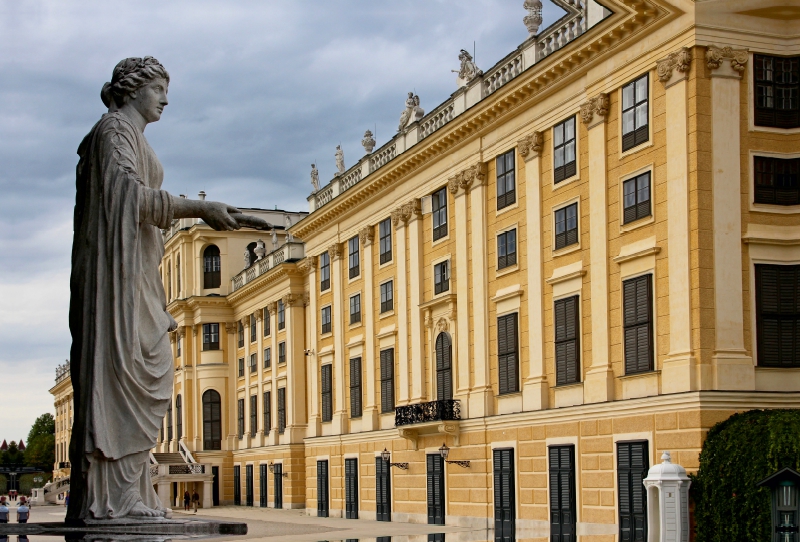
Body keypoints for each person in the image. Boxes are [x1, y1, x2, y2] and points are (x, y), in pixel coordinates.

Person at [66, 56, 270, 522]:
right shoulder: (114, 131)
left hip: (135, 268)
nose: (165, 97)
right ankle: (116, 499)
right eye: (157, 87)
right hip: (117, 279)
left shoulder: (130, 136)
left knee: (151, 370)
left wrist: (219, 213)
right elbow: (127, 198)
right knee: (131, 372)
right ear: (133, 88)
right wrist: (199, 208)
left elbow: (140, 199)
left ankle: (129, 492)